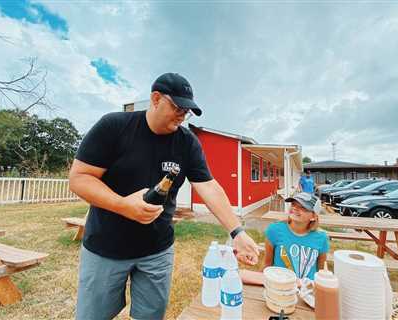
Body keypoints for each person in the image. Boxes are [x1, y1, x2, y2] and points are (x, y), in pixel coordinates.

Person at [69, 72, 260, 320]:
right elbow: (79, 178)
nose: (182, 114)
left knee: (150, 316)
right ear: (156, 98)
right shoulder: (114, 127)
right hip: (105, 248)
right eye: (177, 107)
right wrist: (123, 205)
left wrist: (237, 232)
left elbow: (208, 186)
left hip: (156, 251)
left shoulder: (187, 142)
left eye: (187, 110)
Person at [263, 192, 329, 280]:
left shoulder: (321, 237)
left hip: (307, 290)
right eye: (293, 204)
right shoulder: (274, 230)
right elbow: (267, 265)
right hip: (280, 287)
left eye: (302, 207)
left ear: (313, 216)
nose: (295, 208)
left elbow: (321, 271)